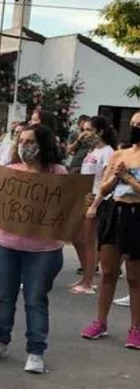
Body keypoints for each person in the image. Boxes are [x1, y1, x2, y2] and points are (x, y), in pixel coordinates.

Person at [0, 124, 67, 374]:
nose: (24, 146)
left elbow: (68, 205)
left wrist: (84, 202)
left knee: (36, 299)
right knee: (3, 296)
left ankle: (36, 352)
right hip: (4, 244)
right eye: (21, 140)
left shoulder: (59, 173)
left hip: (44, 249)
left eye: (30, 141)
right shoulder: (11, 171)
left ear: (43, 144)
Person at [81, 112, 140, 349]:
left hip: (137, 215)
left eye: (139, 125)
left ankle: (135, 328)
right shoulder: (119, 154)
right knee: (108, 272)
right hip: (116, 212)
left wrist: (127, 177)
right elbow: (104, 188)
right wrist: (115, 178)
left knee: (135, 277)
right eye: (133, 124)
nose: (135, 128)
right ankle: (100, 321)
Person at [71, 116, 117, 295]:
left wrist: (95, 205)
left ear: (100, 131)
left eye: (89, 130)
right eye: (84, 130)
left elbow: (106, 181)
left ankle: (88, 282)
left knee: (89, 242)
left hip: (98, 200)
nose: (85, 134)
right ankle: (85, 276)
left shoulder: (107, 152)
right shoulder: (92, 150)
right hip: (85, 197)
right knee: (79, 239)